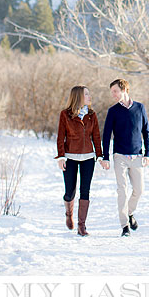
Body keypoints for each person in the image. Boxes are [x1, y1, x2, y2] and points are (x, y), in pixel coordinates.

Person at [100, 78, 149, 237]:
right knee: (122, 190)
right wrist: (105, 157)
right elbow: (107, 135)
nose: (113, 95)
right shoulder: (113, 111)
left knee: (139, 190)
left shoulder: (140, 108)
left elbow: (146, 132)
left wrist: (147, 153)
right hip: (120, 156)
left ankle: (129, 212)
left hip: (136, 156)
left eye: (115, 91)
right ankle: (124, 227)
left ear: (124, 90)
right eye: (112, 92)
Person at [55, 85, 103, 236]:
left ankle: (82, 226)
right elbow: (60, 137)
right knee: (70, 192)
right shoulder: (65, 115)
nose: (89, 97)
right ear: (78, 97)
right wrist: (61, 156)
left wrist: (100, 155)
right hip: (70, 157)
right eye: (86, 94)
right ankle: (69, 213)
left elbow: (96, 136)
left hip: (88, 157)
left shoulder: (91, 114)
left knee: (85, 190)